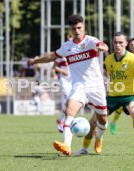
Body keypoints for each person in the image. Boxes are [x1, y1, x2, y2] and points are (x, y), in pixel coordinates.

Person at [27, 14, 109, 156]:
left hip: (96, 86)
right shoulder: (67, 47)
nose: (77, 31)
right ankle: (67, 146)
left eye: (79, 28)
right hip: (79, 86)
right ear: (70, 30)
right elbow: (51, 57)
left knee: (103, 119)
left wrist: (103, 47)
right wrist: (35, 61)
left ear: (83, 27)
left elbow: (102, 45)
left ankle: (99, 138)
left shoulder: (90, 41)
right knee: (69, 111)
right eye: (74, 28)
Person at [76, 32, 134, 156]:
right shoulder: (108, 59)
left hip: (130, 95)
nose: (118, 45)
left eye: (121, 42)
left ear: (126, 44)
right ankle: (85, 148)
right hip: (113, 96)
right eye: (115, 42)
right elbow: (111, 76)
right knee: (93, 121)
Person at [53, 57, 72, 133]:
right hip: (64, 80)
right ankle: (62, 122)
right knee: (70, 99)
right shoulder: (61, 55)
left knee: (70, 104)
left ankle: (60, 120)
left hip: (72, 80)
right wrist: (61, 71)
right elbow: (54, 67)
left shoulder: (75, 52)